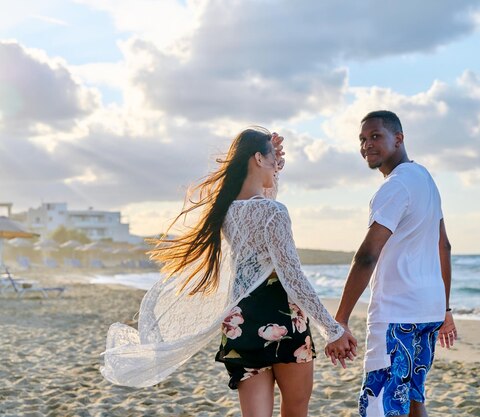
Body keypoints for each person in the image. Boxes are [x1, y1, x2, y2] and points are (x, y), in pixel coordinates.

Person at [101, 127, 357, 417]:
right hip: (283, 321)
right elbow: (293, 278)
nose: (277, 166)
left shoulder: (226, 212)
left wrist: (274, 164)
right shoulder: (274, 212)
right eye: (273, 160)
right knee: (296, 410)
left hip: (240, 321)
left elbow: (262, 197)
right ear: (258, 158)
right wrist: (332, 330)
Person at [325, 111, 457, 417]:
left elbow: (367, 254)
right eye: (362, 139)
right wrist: (445, 309)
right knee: (413, 400)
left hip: (397, 314)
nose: (366, 145)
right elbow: (444, 246)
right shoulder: (424, 178)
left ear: (398, 139)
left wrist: (340, 319)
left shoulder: (395, 187)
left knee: (380, 406)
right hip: (428, 310)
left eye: (375, 136)